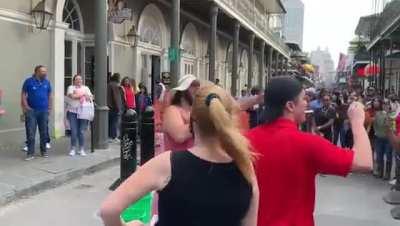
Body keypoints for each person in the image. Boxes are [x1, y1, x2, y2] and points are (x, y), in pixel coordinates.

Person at [100, 84, 259, 226]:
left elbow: (108, 210)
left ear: (193, 120)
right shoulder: (245, 166)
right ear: (228, 120)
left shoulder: (168, 164)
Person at [246, 76, 372, 226]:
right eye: (303, 99)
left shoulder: (244, 140)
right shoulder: (308, 143)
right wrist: (357, 122)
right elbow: (364, 162)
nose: (307, 103)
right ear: (290, 106)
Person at [21, 65, 53, 160]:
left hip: (44, 111)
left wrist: (50, 108)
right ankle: (30, 154)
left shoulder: (47, 82)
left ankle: (43, 151)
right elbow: (23, 94)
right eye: (42, 71)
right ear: (36, 72)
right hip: (31, 111)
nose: (45, 73)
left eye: (45, 71)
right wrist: (26, 106)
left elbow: (50, 95)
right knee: (30, 133)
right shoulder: (28, 81)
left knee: (43, 133)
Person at [162, 74, 199, 151]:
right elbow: (179, 135)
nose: (197, 88)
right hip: (176, 160)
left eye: (198, 85)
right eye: (192, 85)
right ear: (182, 92)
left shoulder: (194, 112)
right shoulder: (172, 110)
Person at [66, 74, 93, 156]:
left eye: (80, 79)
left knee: (81, 131)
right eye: (77, 79)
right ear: (74, 81)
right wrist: (83, 95)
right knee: (74, 131)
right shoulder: (71, 87)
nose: (79, 81)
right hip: (73, 112)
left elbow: (91, 97)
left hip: (84, 112)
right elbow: (72, 96)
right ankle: (73, 148)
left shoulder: (86, 88)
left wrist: (80, 95)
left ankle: (81, 148)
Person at [372, 98, 393, 179]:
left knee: (388, 156)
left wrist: (388, 115)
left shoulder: (393, 115)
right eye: (384, 103)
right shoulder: (378, 114)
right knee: (379, 156)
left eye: (387, 103)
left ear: (389, 105)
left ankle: (387, 173)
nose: (385, 105)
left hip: (388, 139)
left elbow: (390, 126)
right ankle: (380, 172)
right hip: (379, 138)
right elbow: (376, 124)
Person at [107, 73, 123, 142]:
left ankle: (109, 136)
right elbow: (116, 97)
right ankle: (113, 136)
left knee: (110, 122)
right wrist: (119, 107)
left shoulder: (109, 84)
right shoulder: (115, 85)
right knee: (114, 122)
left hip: (108, 106)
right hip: (113, 107)